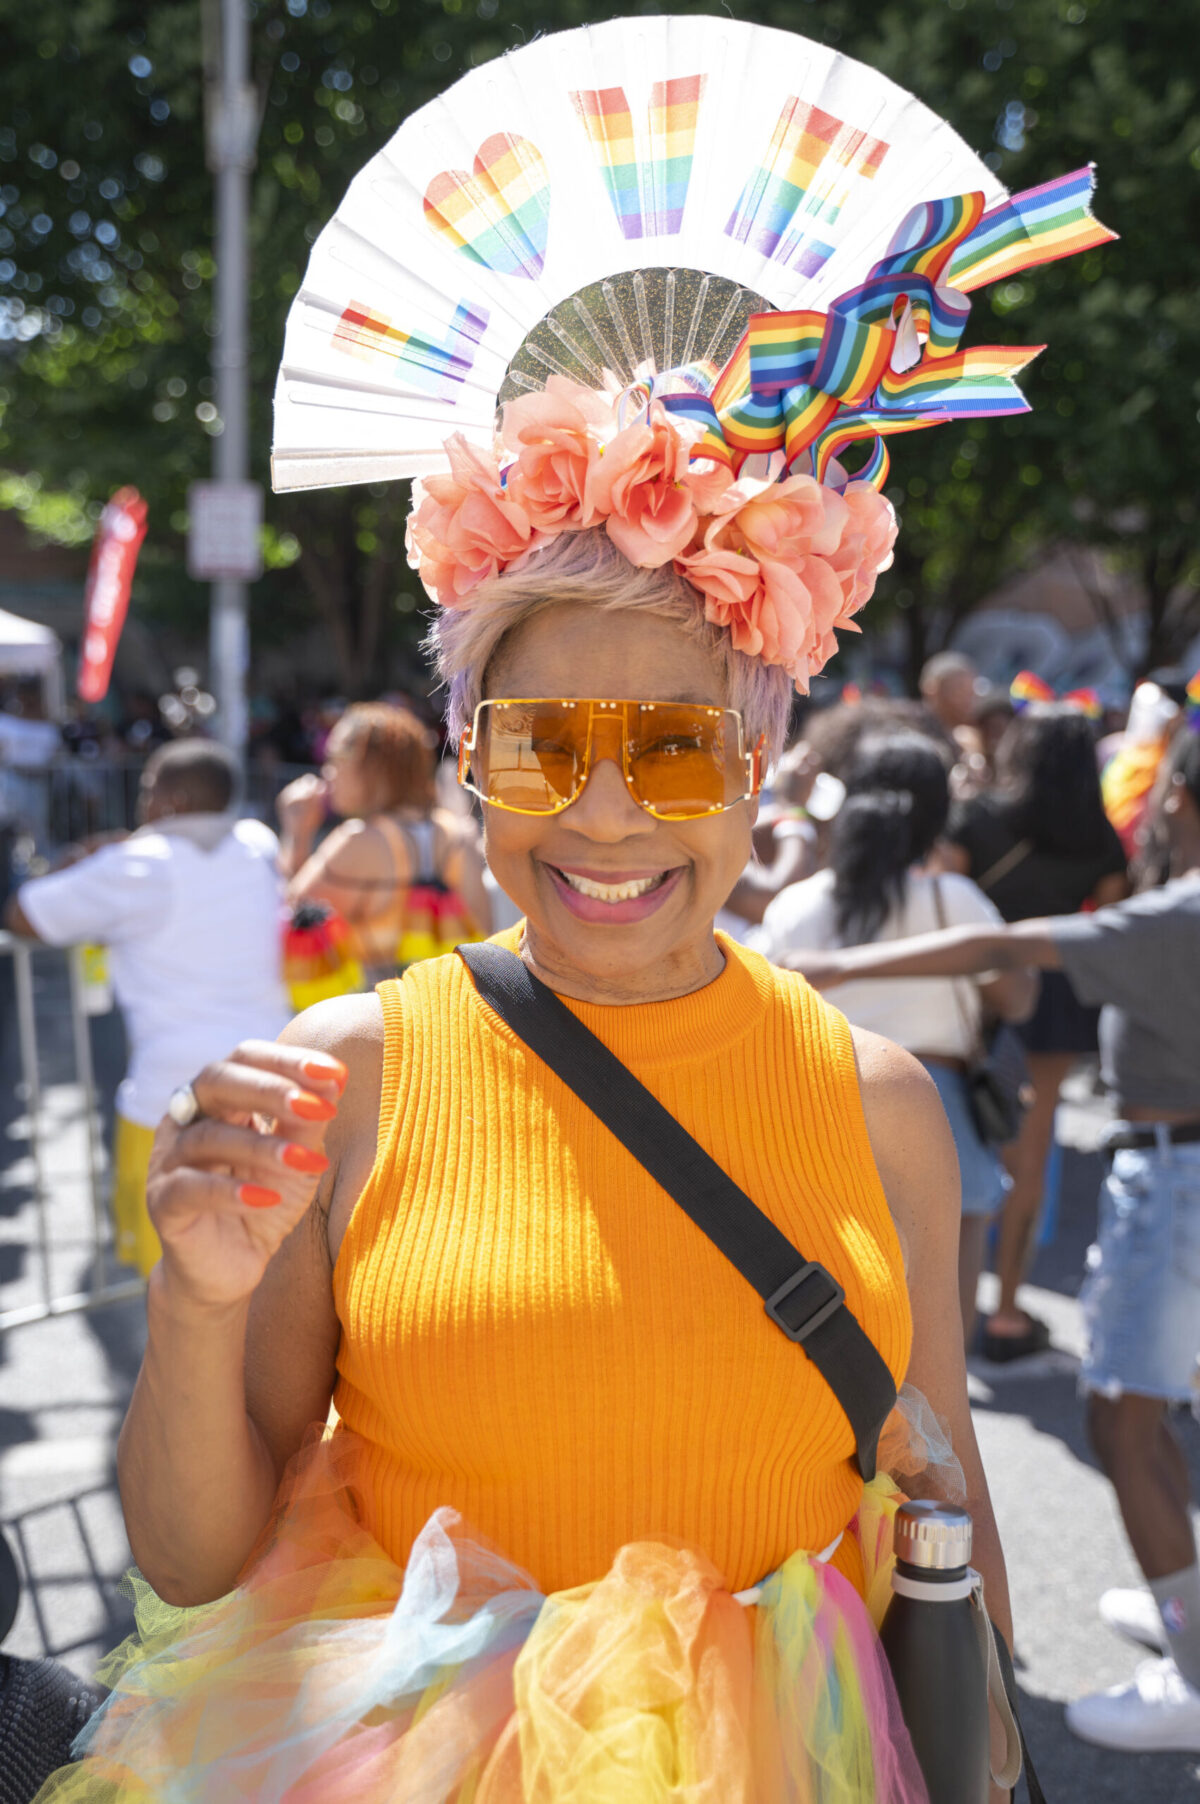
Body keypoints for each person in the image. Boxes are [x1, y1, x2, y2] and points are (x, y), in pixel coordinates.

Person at [36, 444, 1013, 1800]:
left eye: (674, 750)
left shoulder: (879, 1099)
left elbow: (942, 1480)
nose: (603, 815)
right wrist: (196, 1304)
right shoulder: (356, 1072)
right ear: (471, 761)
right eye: (542, 745)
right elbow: (193, 1562)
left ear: (758, 764)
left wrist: (994, 1745)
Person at [788, 723, 1200, 1752]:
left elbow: (1008, 951)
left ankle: (1190, 1655)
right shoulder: (984, 897)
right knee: (953, 1379)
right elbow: (1007, 977)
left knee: (1115, 1415)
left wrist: (835, 955)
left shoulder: (1179, 914)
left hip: (818, 1148)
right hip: (998, 1147)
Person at [757, 731, 1036, 1343]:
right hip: (942, 1106)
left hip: (818, 1101)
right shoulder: (951, 899)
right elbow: (1018, 996)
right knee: (942, 1327)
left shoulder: (796, 905)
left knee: (830, 1315)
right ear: (938, 814)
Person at [3, 739, 290, 1278]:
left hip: (172, 1105)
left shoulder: (135, 865)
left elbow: (25, 914)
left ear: (171, 799)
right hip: (268, 1087)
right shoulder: (256, 843)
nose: (141, 801)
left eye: (147, 790)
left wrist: (87, 857)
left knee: (175, 1288)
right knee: (267, 1276)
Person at [940, 699, 1129, 1360]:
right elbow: (1105, 924)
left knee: (954, 1139)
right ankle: (1009, 1310)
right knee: (1033, 1153)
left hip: (969, 987)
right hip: (1053, 996)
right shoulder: (1099, 837)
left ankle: (946, 1300)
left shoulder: (980, 817)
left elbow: (948, 899)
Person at [277, 699, 491, 981]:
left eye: (335, 757)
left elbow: (291, 919)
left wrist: (297, 833)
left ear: (372, 768)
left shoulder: (359, 840)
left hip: (378, 1013)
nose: (328, 772)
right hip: (445, 1005)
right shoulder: (458, 834)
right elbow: (486, 932)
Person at [919, 650, 981, 737]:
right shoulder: (913, 726)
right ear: (932, 690)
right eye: (959, 691)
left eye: (970, 692)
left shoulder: (979, 729)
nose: (967, 700)